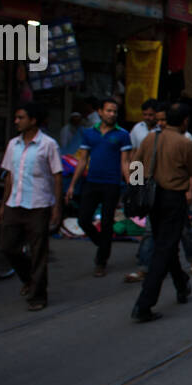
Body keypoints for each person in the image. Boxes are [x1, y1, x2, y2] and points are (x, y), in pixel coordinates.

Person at [129, 103, 192, 322]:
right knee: (163, 249)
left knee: (166, 244)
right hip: (172, 199)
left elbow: (135, 165)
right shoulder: (184, 144)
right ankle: (144, 304)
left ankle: (181, 284)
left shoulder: (150, 139)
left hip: (153, 199)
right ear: (185, 121)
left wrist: (139, 192)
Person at [0, 103, 62, 311]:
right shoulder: (13, 145)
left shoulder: (48, 144)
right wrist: (3, 204)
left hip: (38, 204)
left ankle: (38, 295)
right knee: (8, 246)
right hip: (14, 203)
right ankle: (29, 278)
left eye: (20, 117)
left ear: (33, 120)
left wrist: (56, 206)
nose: (17, 121)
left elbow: (57, 176)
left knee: (38, 252)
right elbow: (9, 175)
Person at [67, 99, 132, 277]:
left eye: (115, 112)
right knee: (83, 219)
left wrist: (131, 184)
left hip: (112, 184)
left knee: (106, 222)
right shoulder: (89, 134)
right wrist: (72, 184)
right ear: (100, 112)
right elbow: (82, 160)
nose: (112, 114)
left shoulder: (122, 135)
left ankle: (101, 260)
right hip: (92, 182)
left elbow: (125, 162)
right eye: (109, 111)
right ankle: (102, 244)